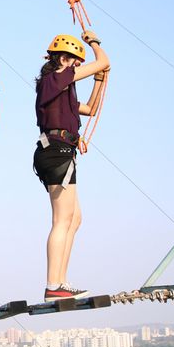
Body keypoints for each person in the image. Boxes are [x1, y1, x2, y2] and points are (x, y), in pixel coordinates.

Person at [33, 30, 109, 301]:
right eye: (75, 62)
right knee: (62, 219)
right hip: (56, 152)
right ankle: (54, 284)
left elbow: (89, 109)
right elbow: (102, 60)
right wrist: (94, 43)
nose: (77, 67)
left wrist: (99, 81)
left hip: (58, 151)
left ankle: (60, 282)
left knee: (74, 219)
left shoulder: (57, 87)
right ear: (64, 59)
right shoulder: (55, 77)